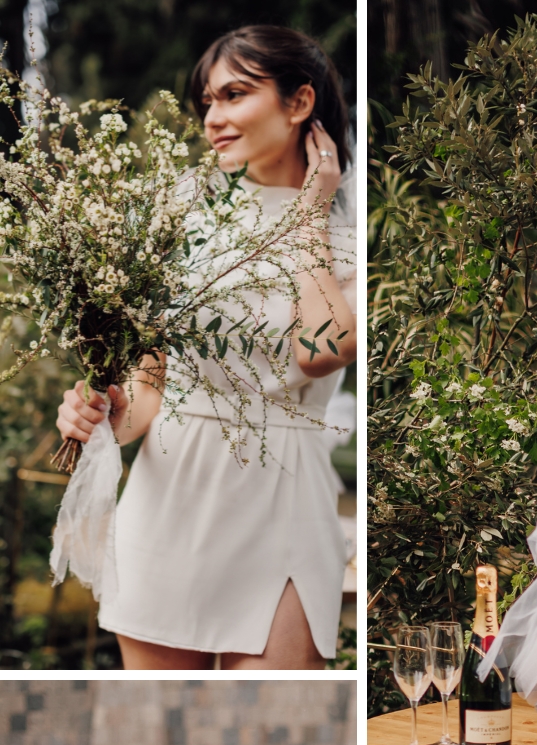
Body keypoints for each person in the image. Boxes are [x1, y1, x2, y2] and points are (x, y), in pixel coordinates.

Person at [56, 26, 358, 671]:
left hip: (284, 506)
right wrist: (97, 415)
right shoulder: (180, 225)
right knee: (168, 722)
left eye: (234, 95)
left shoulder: (349, 241)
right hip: (169, 502)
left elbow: (322, 352)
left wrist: (309, 219)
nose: (214, 118)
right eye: (206, 104)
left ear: (299, 102)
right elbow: (147, 397)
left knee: (270, 729)